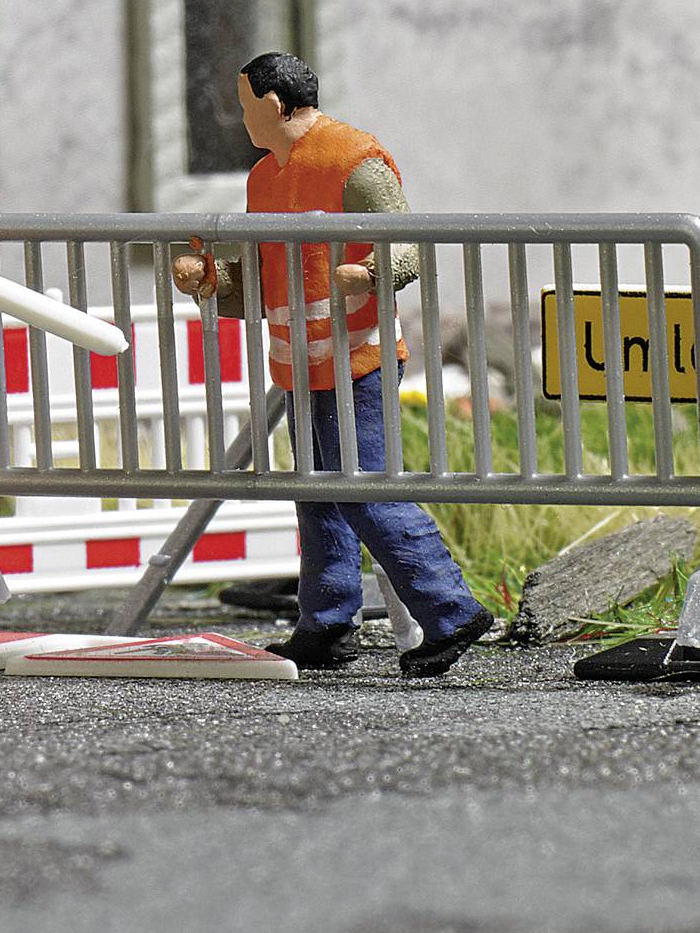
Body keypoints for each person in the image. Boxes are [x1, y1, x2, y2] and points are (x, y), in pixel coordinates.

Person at [178, 52, 491, 678]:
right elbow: (269, 274)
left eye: (244, 107)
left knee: (367, 491)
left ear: (272, 104)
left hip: (360, 358)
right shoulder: (265, 177)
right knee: (317, 497)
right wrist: (211, 280)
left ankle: (452, 611)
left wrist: (374, 273)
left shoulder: (353, 160)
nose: (240, 120)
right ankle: (324, 624)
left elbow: (408, 246)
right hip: (300, 361)